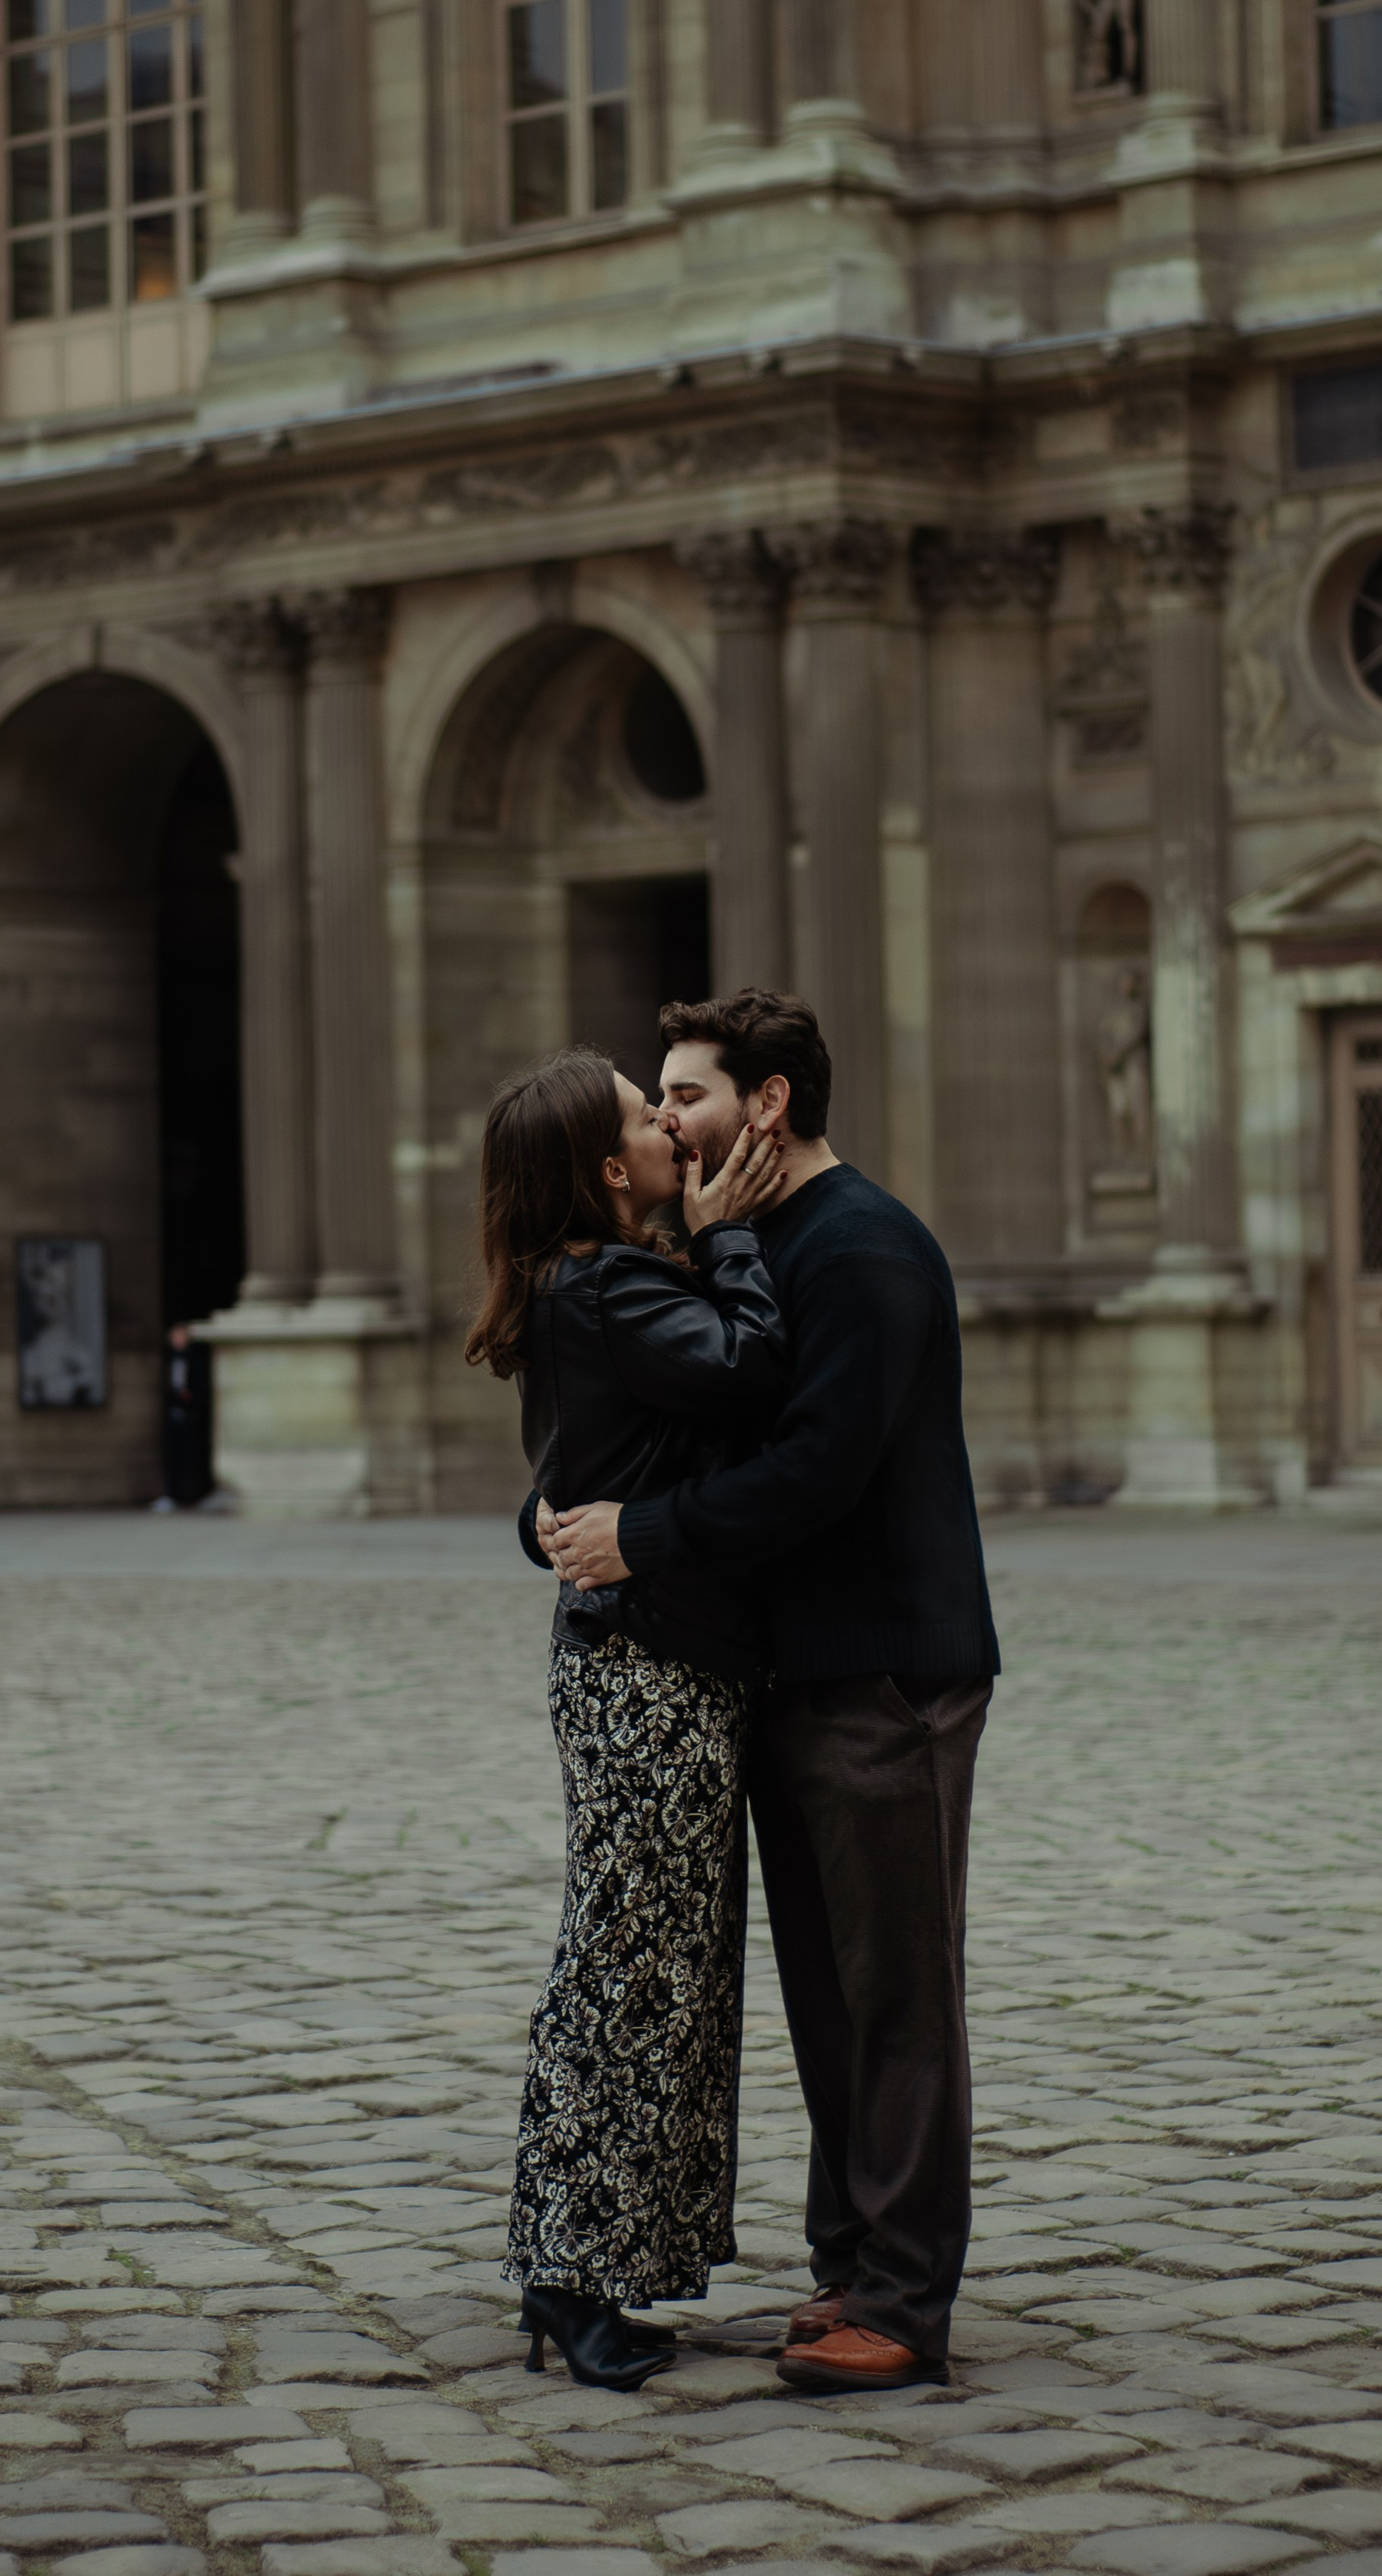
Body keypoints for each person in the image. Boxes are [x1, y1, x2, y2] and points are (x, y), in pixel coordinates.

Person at [546, 988, 1001, 2397]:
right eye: (662, 1098)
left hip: (886, 1664)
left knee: (899, 1994)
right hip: (789, 1670)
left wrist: (647, 1538)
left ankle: (907, 2300)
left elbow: (817, 1466)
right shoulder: (747, 1243)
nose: (668, 1119)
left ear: (771, 1105)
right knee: (825, 1989)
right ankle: (847, 2262)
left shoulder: (861, 1245)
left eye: (685, 1093)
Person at [468, 1047, 789, 2391]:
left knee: (643, 1965)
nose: (670, 1124)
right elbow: (749, 1370)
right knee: (626, 1969)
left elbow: (573, 1466)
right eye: (642, 1116)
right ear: (612, 1172)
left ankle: (587, 2263)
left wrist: (547, 1527)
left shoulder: (583, 1286)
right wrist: (732, 1241)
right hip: (644, 1667)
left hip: (629, 1657)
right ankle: (569, 2276)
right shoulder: (607, 1280)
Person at [154, 1324, 213, 1509]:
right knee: (173, 1457)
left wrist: (191, 1399)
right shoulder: (168, 1359)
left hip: (191, 1416)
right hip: (174, 1416)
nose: (177, 1340)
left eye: (180, 1336)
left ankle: (198, 1495)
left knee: (193, 1456)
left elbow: (200, 1389)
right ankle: (173, 1495)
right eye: (174, 1336)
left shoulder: (195, 1359)